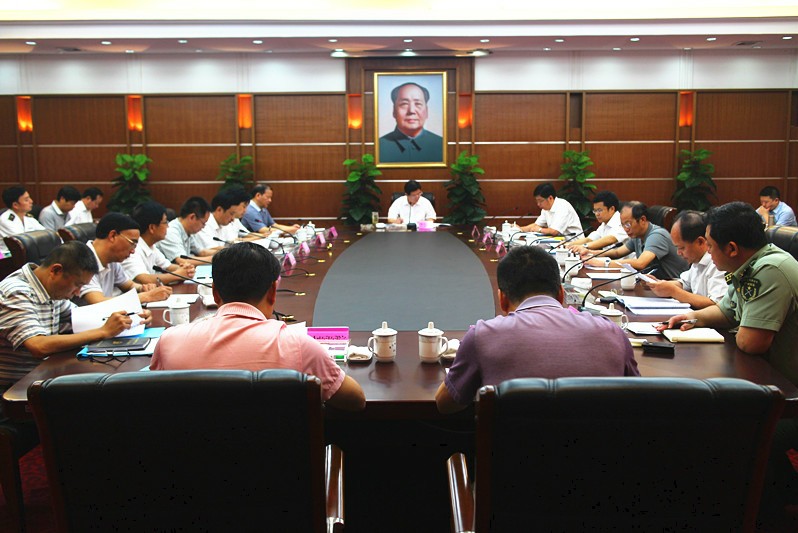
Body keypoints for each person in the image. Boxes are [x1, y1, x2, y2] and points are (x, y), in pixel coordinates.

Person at [151, 242, 366, 411]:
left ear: (215, 292)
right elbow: (355, 400)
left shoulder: (169, 341)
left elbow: (151, 401)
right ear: (273, 291)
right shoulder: (299, 346)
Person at [435, 245, 639, 414]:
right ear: (561, 294)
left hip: (515, 452)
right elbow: (639, 400)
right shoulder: (613, 333)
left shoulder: (483, 336)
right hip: (601, 452)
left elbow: (445, 404)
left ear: (502, 299)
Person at [659, 202, 798, 383]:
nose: (707, 251)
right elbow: (725, 311)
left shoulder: (770, 270)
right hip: (763, 373)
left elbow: (750, 343)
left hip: (785, 385)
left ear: (732, 249)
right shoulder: (747, 266)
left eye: (710, 245)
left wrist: (740, 324)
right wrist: (691, 317)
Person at [0, 241, 144, 392]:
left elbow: (84, 317)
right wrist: (103, 331)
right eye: (77, 285)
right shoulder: (15, 292)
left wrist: (131, 315)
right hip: (15, 388)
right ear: (56, 271)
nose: (77, 293)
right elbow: (39, 345)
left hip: (43, 376)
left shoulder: (49, 288)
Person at [79, 213, 172, 305]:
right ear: (113, 236)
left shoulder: (112, 260)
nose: (133, 251)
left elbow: (129, 285)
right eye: (132, 243)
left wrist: (143, 288)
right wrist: (147, 296)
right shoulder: (82, 259)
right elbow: (98, 302)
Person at [644, 210, 727, 309]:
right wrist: (657, 284)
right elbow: (684, 283)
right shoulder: (696, 260)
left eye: (682, 248)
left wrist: (674, 291)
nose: (678, 253)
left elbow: (716, 305)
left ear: (700, 242)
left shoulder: (718, 263)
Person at [587, 201, 688, 279]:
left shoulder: (657, 235)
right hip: (656, 284)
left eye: (628, 224)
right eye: (623, 225)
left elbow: (640, 263)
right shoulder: (637, 235)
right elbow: (617, 253)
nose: (626, 229)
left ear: (642, 220)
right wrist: (591, 253)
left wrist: (603, 264)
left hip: (675, 286)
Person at [123, 201, 196, 285]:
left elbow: (168, 267)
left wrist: (186, 269)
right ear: (152, 227)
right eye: (165, 222)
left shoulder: (151, 246)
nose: (168, 226)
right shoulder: (132, 249)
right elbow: (144, 279)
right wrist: (178, 275)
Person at [378, 82, 444, 163]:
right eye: (404, 104)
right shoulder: (378, 147)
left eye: (418, 104)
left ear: (426, 111)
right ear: (394, 111)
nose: (411, 110)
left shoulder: (442, 145)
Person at [156, 196, 215, 264]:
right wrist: (214, 259)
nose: (203, 227)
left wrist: (221, 254)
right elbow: (182, 261)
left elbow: (201, 252)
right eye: (203, 223)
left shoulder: (188, 231)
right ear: (192, 217)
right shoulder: (171, 232)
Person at [517, 183, 582, 236]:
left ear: (550, 198)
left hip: (574, 243)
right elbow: (536, 225)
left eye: (540, 201)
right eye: (537, 201)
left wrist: (539, 230)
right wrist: (518, 229)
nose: (538, 204)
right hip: (560, 243)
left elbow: (554, 231)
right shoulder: (546, 209)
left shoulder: (562, 207)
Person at [0, 185, 46, 255]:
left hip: (27, 254)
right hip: (7, 257)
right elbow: (22, 242)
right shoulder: (6, 220)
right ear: (15, 205)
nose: (31, 201)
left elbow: (46, 233)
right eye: (26, 200)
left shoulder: (29, 218)